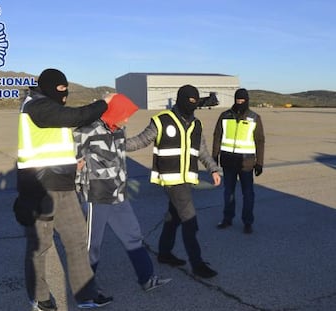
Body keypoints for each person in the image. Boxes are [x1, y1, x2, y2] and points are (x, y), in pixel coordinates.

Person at [14, 68, 114, 310]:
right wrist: (104, 104)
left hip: (64, 186)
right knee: (39, 246)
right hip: (39, 189)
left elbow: (53, 141)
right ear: (49, 87)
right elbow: (75, 117)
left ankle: (86, 295)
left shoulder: (49, 106)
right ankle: (39, 297)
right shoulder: (35, 106)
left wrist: (72, 163)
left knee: (78, 241)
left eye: (66, 90)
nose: (65, 94)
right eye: (61, 90)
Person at [73, 94, 172, 292]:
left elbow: (121, 154)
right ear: (114, 112)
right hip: (96, 195)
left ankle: (147, 278)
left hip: (118, 193)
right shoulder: (85, 131)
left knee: (133, 235)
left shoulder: (118, 129)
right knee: (92, 245)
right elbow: (72, 161)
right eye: (124, 115)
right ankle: (86, 290)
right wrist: (78, 178)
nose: (126, 120)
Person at [126, 85, 221, 279]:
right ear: (180, 99)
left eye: (195, 101)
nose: (192, 105)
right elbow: (140, 141)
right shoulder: (162, 121)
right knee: (189, 221)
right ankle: (197, 264)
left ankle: (164, 253)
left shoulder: (196, 124)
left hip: (186, 179)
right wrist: (115, 144)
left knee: (173, 217)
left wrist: (213, 168)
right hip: (171, 180)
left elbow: (201, 150)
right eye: (189, 101)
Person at [212, 88, 265, 234]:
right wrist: (214, 156)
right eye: (238, 100)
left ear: (247, 101)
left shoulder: (254, 117)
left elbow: (260, 141)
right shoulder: (225, 116)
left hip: (246, 163)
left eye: (242, 100)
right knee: (228, 192)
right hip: (228, 162)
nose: (240, 103)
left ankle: (247, 222)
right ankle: (227, 219)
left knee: (248, 194)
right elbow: (217, 136)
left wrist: (259, 162)